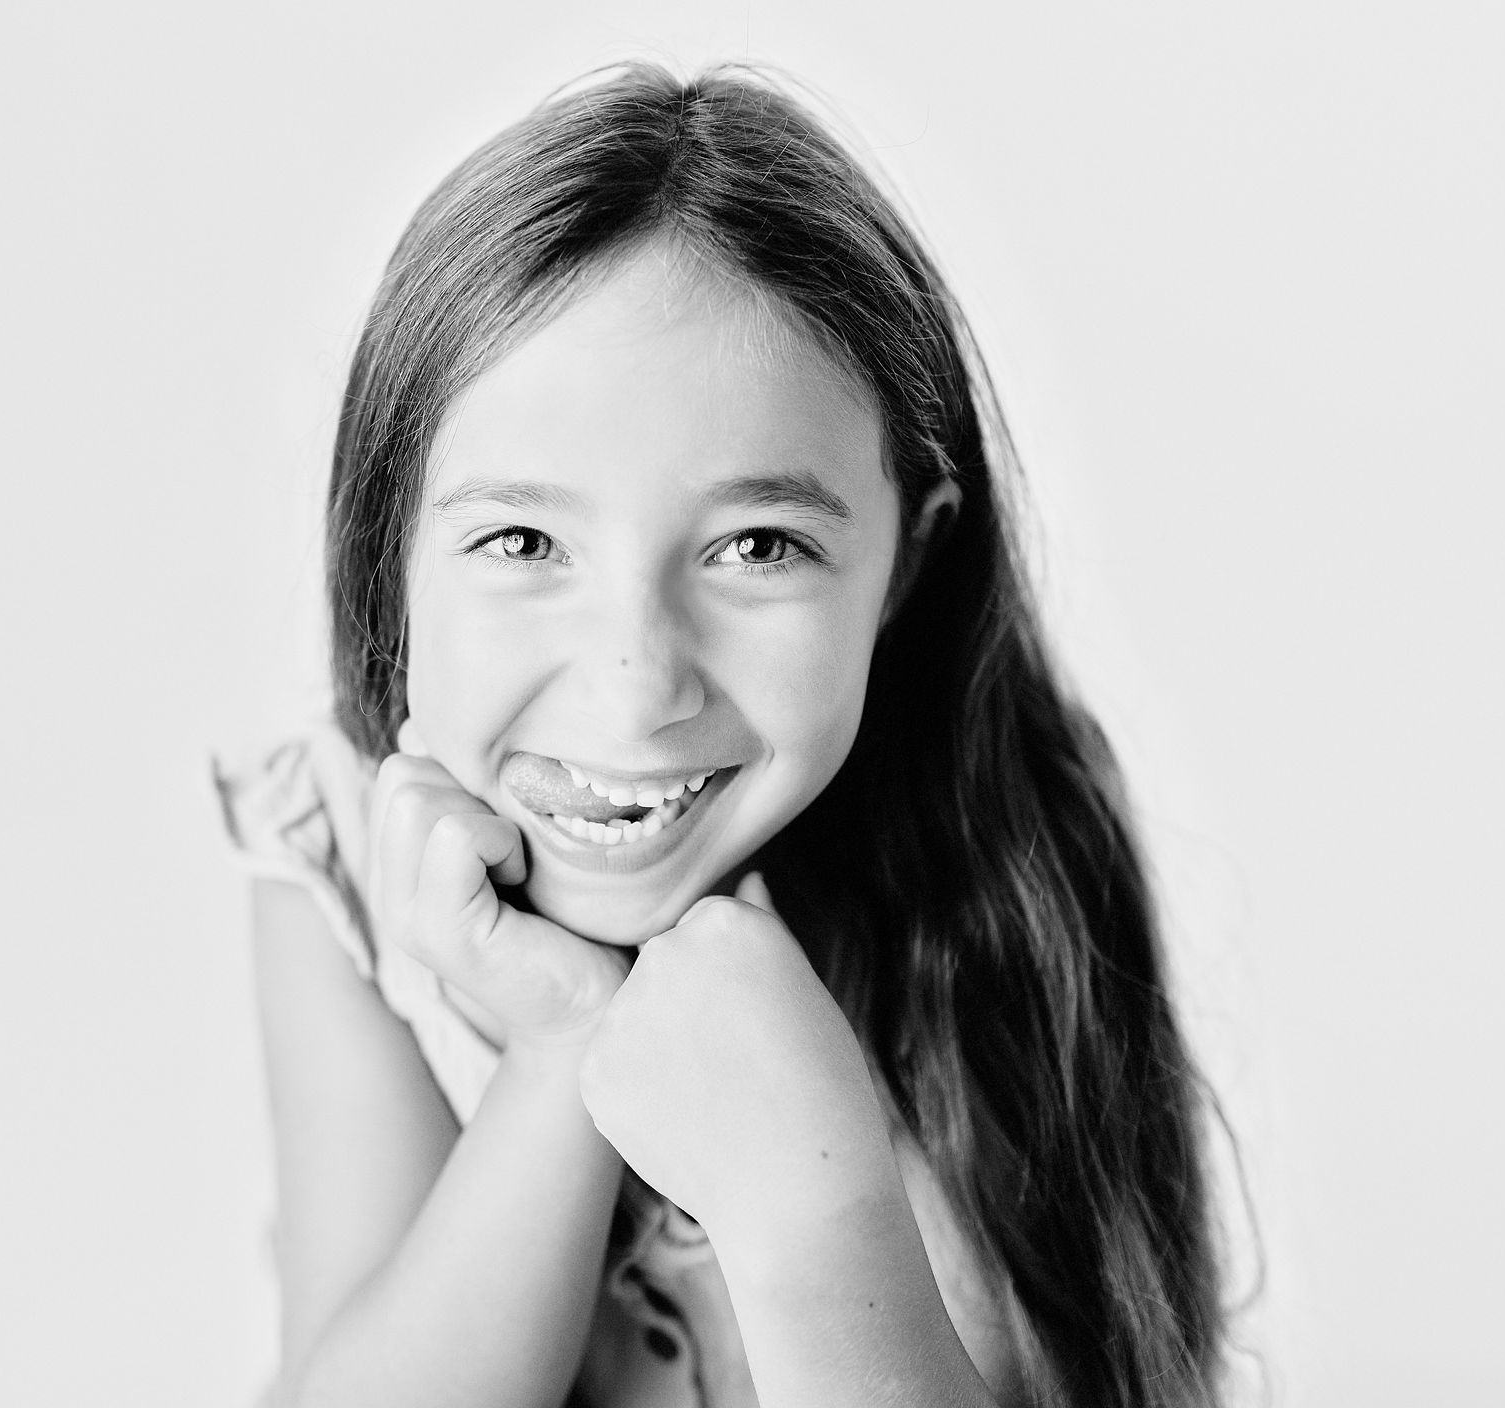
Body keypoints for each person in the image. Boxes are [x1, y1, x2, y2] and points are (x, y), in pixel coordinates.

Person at [216, 62, 1229, 1408]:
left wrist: (809, 1213)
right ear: (392, 551)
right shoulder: (338, 864)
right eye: (523, 540)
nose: (638, 687)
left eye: (760, 546)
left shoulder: (1010, 868)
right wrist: (566, 1045)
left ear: (906, 568)